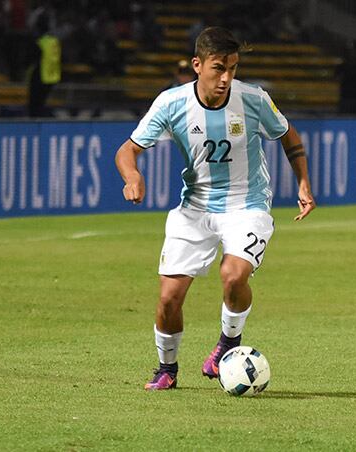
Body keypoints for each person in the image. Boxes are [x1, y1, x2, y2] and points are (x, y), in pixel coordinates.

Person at [114, 26, 316, 391]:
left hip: (247, 204)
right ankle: (167, 369)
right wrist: (132, 177)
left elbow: (288, 133)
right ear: (197, 65)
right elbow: (127, 149)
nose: (226, 78)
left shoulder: (253, 99)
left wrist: (302, 181)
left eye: (233, 69)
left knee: (233, 274)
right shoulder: (171, 103)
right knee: (168, 299)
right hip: (194, 208)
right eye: (218, 68)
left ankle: (228, 345)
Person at [26, 15, 61, 117]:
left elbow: (30, 59)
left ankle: (35, 128)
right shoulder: (55, 42)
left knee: (35, 107)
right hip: (52, 77)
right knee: (42, 104)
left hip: (40, 76)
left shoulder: (39, 43)